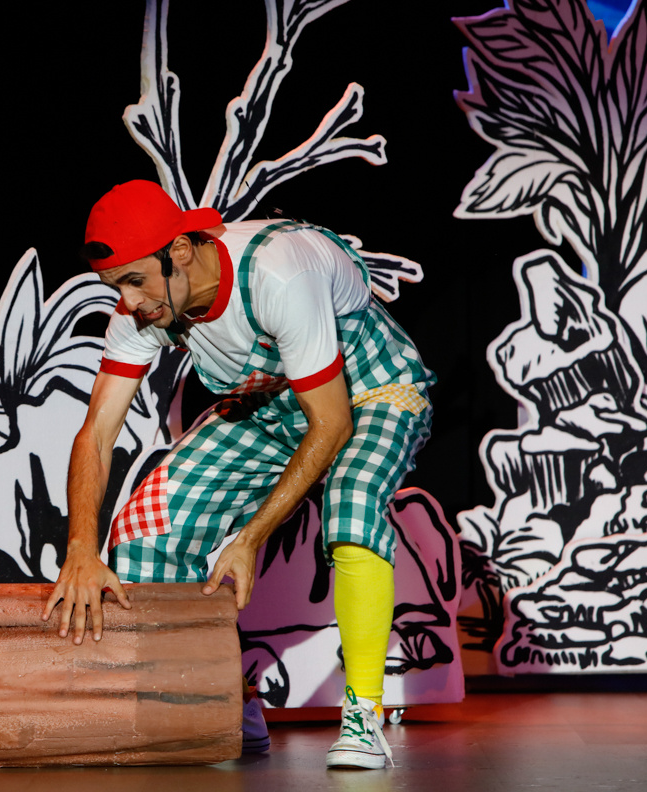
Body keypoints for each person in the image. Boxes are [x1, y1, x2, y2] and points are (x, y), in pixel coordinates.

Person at [40, 180, 434, 769]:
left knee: (351, 501)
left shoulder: (278, 272)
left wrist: (250, 537)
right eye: (115, 286)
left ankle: (364, 713)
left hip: (370, 391)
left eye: (135, 281)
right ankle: (224, 703)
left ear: (179, 250)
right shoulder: (142, 312)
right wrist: (80, 548)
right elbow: (96, 433)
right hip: (268, 406)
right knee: (147, 530)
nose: (128, 302)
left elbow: (330, 425)